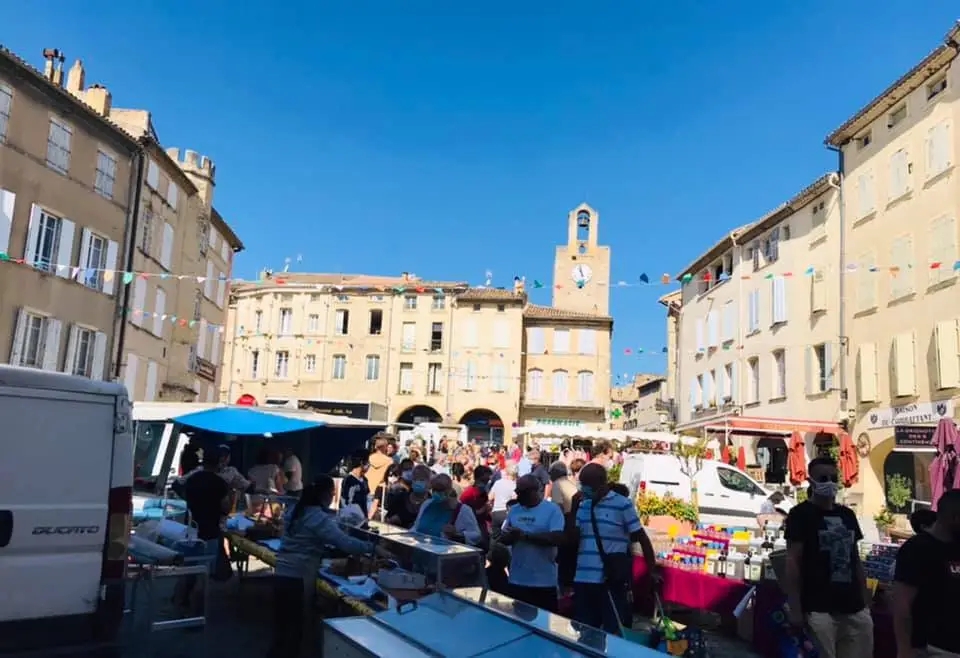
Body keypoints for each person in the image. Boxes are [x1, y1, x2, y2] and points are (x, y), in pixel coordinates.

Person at [270, 476, 390, 658]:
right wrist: (373, 547)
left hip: (281, 572)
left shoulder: (296, 509)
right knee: (294, 631)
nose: (333, 496)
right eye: (332, 493)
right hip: (298, 577)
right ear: (325, 494)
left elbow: (306, 540)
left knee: (282, 629)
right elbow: (345, 543)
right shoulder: (317, 517)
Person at [784, 456, 872, 658]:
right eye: (823, 478)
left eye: (833, 477)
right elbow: (792, 561)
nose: (829, 483)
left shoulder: (847, 515)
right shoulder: (800, 514)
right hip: (817, 607)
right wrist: (795, 607)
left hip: (853, 606)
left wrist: (865, 594)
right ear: (811, 481)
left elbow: (854, 557)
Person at [572, 463, 658, 636]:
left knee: (613, 632)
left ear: (600, 484)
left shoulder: (622, 505)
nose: (583, 489)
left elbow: (642, 538)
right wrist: (574, 509)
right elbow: (572, 538)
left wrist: (652, 570)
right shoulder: (583, 506)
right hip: (583, 578)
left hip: (609, 579)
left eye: (586, 485)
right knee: (584, 631)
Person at [893, 491, 960, 658]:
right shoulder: (918, 549)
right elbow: (902, 604)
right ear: (954, 518)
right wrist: (904, 649)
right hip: (932, 648)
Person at [499, 474, 566, 612]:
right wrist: (509, 537)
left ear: (534, 491)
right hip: (517, 579)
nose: (517, 495)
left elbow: (557, 538)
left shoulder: (552, 510)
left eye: (521, 492)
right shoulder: (514, 510)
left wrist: (525, 536)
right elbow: (503, 537)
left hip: (544, 581)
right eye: (517, 491)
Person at [176, 451, 231, 608]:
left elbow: (180, 490)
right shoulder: (219, 483)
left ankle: (181, 601)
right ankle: (197, 610)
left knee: (188, 569)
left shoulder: (192, 479)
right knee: (204, 572)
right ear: (218, 463)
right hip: (211, 531)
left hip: (191, 529)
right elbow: (225, 507)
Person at [412, 474, 482, 546]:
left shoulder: (462, 510)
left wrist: (457, 534)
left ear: (449, 490)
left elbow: (476, 535)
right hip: (420, 548)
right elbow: (416, 526)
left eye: (441, 490)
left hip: (444, 553)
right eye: (434, 489)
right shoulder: (427, 504)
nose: (436, 493)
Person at [386, 464, 431, 528]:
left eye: (421, 480)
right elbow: (388, 520)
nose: (418, 482)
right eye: (415, 479)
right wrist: (392, 520)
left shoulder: (431, 504)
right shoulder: (400, 498)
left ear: (429, 483)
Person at [461, 465, 494, 545]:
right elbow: (465, 513)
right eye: (485, 480)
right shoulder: (468, 494)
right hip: (473, 530)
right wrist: (483, 509)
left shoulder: (483, 493)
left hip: (483, 528)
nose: (487, 482)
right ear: (478, 478)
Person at [339, 450, 370, 518]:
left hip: (363, 519)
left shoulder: (365, 480)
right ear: (362, 463)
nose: (369, 464)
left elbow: (366, 501)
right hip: (351, 519)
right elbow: (344, 502)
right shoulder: (349, 480)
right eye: (368, 462)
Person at [490, 463, 518, 537]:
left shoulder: (498, 482)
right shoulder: (514, 485)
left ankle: (494, 547)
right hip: (506, 513)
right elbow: (514, 500)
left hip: (495, 512)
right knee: (506, 536)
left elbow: (490, 497)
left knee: (495, 536)